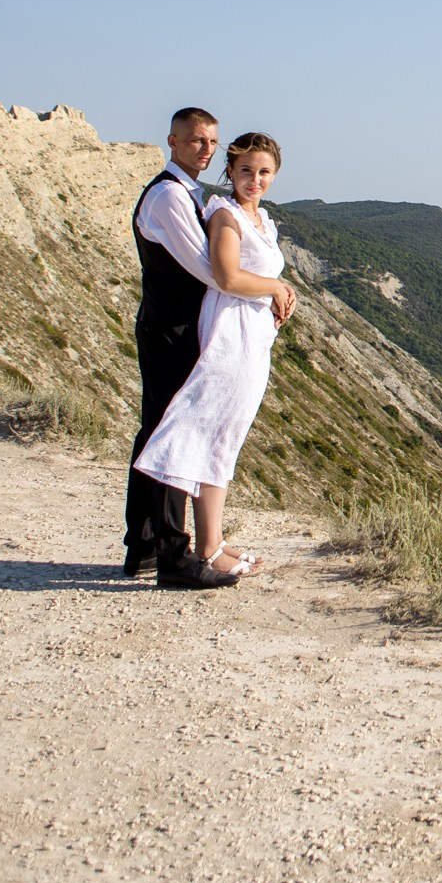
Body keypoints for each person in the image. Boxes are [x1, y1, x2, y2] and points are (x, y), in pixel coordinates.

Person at [123, 110, 294, 586]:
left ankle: (152, 548)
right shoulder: (168, 196)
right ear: (173, 141)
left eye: (211, 141)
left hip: (188, 328)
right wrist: (274, 288)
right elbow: (212, 272)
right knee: (171, 435)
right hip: (171, 329)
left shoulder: (195, 196)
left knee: (170, 431)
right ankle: (169, 554)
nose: (204, 148)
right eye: (196, 140)